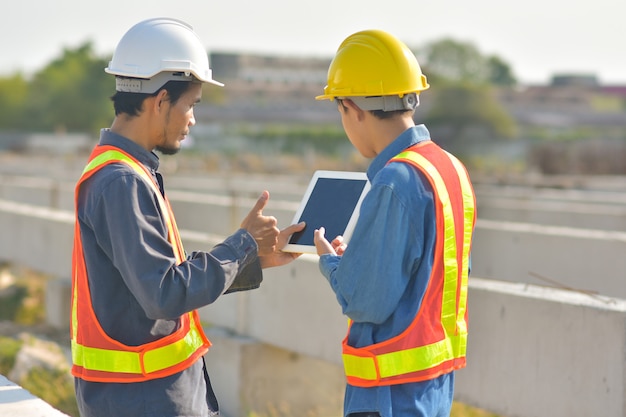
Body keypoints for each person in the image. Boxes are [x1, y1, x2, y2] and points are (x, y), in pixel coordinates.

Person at [70, 18, 304, 417]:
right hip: (145, 400)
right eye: (191, 105)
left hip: (146, 397)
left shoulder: (125, 172)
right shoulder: (121, 182)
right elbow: (164, 293)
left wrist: (249, 259)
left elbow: (154, 281)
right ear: (161, 100)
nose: (193, 119)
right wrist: (241, 244)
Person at [313, 29, 476, 417]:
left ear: (351, 107)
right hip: (433, 390)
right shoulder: (449, 168)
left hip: (388, 396)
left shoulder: (395, 180)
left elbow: (366, 300)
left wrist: (334, 264)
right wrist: (365, 259)